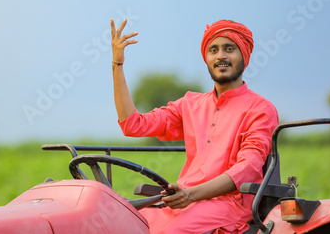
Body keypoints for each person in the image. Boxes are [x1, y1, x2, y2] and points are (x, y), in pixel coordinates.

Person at [110, 19, 279, 234]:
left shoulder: (261, 109)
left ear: (243, 56)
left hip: (228, 205)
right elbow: (133, 125)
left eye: (229, 49)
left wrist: (191, 195)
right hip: (183, 201)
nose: (221, 56)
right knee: (124, 224)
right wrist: (117, 65)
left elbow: (246, 169)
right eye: (213, 50)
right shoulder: (190, 104)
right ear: (206, 58)